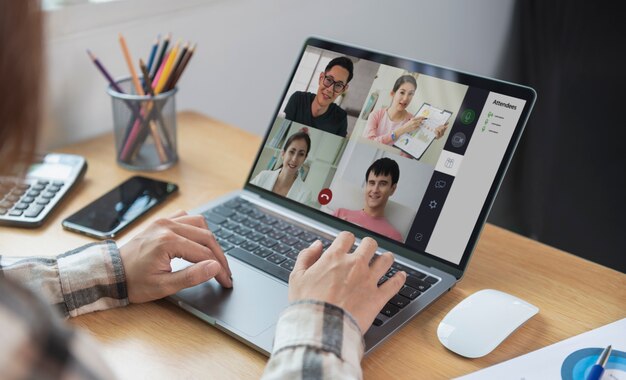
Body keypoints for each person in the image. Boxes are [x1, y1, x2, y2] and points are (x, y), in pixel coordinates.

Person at [0, 1, 406, 378]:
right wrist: (325, 318)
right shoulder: (30, 349)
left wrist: (111, 269)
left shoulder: (338, 125)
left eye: (339, 87)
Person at [364, 75, 448, 157]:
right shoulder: (376, 115)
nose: (405, 98)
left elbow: (411, 153)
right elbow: (369, 143)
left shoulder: (413, 121)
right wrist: (402, 130)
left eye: (410, 94)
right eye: (402, 92)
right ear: (392, 93)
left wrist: (432, 136)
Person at [333, 158, 403, 242]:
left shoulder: (394, 237)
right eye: (372, 183)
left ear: (392, 189)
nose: (375, 190)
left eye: (382, 184)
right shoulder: (340, 214)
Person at [284, 56, 354, 137]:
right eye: (329, 80)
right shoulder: (298, 99)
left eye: (338, 85)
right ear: (321, 78)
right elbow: (282, 133)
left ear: (343, 89)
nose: (330, 89)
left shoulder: (340, 118)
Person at [250, 131, 312, 203]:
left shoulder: (306, 194)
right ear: (283, 153)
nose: (294, 159)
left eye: (301, 154)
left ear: (304, 158)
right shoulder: (263, 176)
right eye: (292, 152)